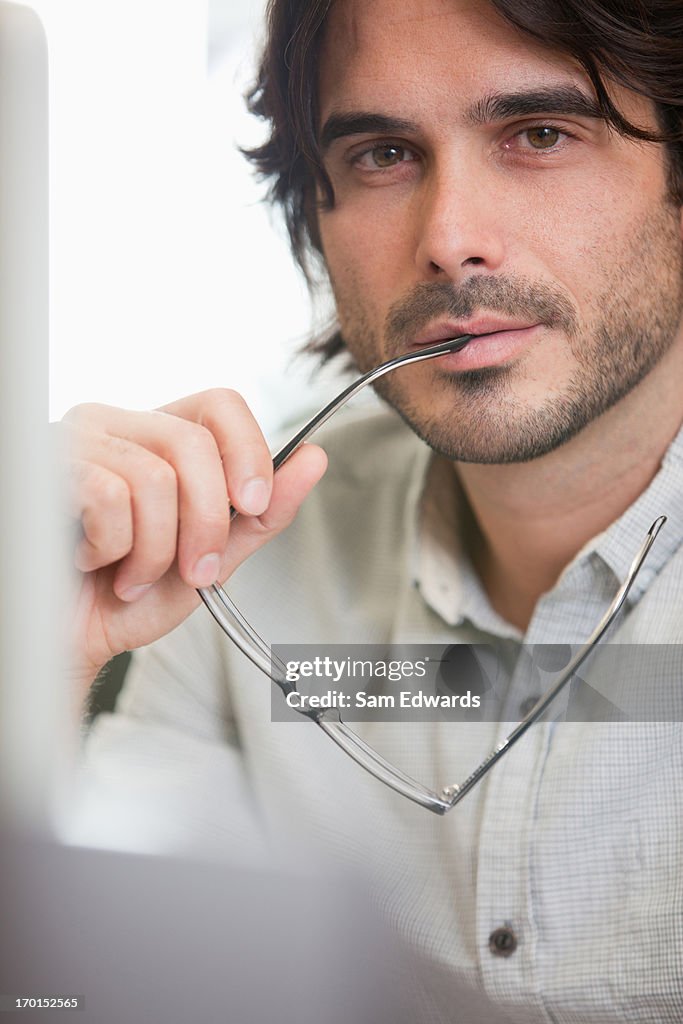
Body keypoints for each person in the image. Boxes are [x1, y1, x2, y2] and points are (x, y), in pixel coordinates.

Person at [64, 1, 683, 1020]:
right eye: (383, 154)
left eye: (537, 134)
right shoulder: (235, 556)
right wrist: (41, 660)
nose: (448, 241)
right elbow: (90, 993)